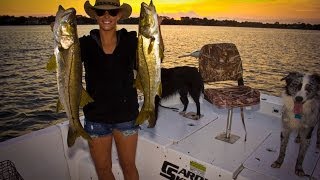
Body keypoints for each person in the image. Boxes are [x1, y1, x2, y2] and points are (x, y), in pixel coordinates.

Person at [80, 0, 140, 179]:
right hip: (96, 117)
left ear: (119, 15)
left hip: (126, 116)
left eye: (112, 12)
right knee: (103, 170)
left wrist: (155, 30)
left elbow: (155, 56)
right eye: (101, 12)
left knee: (129, 167)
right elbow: (63, 58)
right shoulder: (83, 43)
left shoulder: (131, 41)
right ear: (95, 15)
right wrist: (58, 33)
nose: (107, 16)